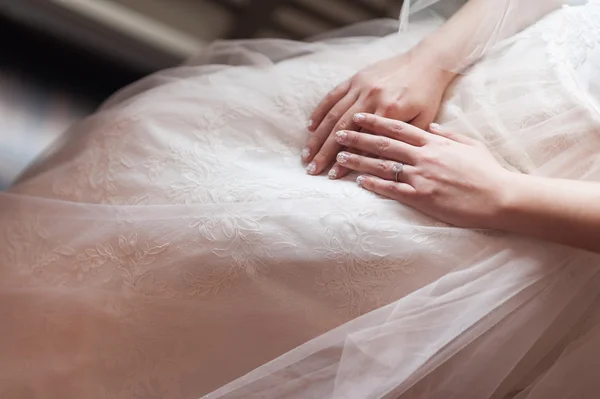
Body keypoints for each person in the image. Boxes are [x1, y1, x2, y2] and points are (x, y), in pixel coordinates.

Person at [1, 1, 599, 398]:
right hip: (490, 65)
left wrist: (502, 195)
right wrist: (432, 60)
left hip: (545, 201)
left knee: (239, 256)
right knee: (152, 142)